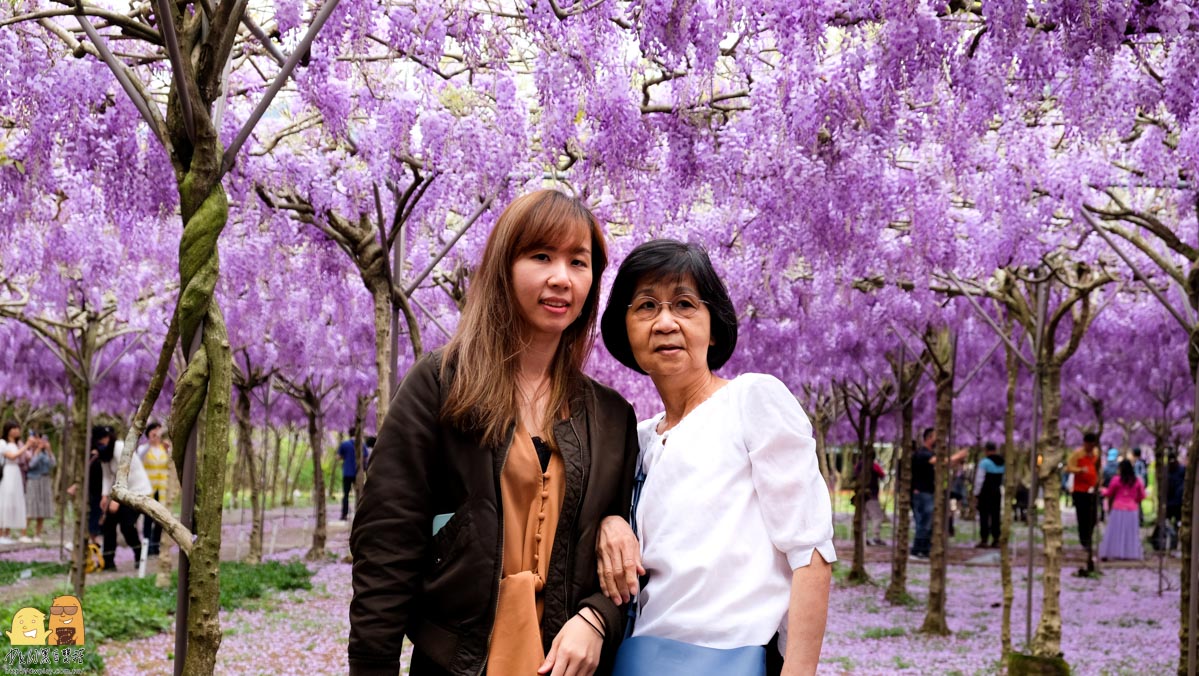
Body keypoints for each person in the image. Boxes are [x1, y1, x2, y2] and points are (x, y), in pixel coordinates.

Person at [349, 189, 639, 676]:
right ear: (504, 265)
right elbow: (387, 542)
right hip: (456, 663)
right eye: (541, 256)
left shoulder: (612, 417)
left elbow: (629, 559)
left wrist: (598, 618)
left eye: (578, 262)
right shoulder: (441, 385)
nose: (560, 278)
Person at [594, 239, 835, 675]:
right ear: (625, 331)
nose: (665, 322)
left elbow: (811, 551)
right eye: (646, 306)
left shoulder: (752, 400)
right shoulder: (639, 439)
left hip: (731, 659)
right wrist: (610, 521)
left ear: (714, 326)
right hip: (640, 661)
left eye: (684, 304)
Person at [98, 425, 153, 570]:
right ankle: (108, 561)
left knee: (126, 526)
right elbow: (107, 475)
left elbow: (127, 473)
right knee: (108, 525)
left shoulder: (120, 448)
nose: (101, 444)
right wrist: (104, 496)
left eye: (103, 440)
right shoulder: (104, 453)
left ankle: (139, 553)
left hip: (136, 491)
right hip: (119, 492)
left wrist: (117, 500)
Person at [1066, 433, 1102, 573]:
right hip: (1080, 491)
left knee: (1093, 516)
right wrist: (1080, 470)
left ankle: (1089, 536)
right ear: (1085, 443)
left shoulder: (1096, 454)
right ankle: (1084, 540)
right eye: (1089, 444)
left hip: (1092, 490)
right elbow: (1069, 467)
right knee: (1082, 516)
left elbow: (1098, 468)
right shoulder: (1077, 454)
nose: (1091, 447)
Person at [1099, 459, 1146, 561]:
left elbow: (1109, 493)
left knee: (1116, 532)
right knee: (1131, 533)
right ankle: (1130, 553)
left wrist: (1101, 490)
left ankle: (1115, 551)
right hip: (1132, 510)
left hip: (1118, 509)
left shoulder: (1116, 480)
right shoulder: (1137, 481)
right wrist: (1134, 501)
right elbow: (1142, 495)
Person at [137, 422, 171, 557]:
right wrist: (150, 443)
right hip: (148, 488)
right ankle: (147, 546)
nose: (157, 435)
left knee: (159, 518)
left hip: (162, 489)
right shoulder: (144, 449)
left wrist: (168, 448)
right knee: (148, 517)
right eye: (154, 432)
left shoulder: (165, 449)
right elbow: (138, 459)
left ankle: (156, 545)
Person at [0, 422, 31, 544]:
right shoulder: (3, 443)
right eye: (14, 428)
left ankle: (7, 532)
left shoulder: (18, 443)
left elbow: (26, 458)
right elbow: (11, 456)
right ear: (8, 430)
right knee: (5, 500)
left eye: (17, 428)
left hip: (16, 473)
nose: (17, 430)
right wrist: (26, 446)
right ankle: (1, 532)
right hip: (7, 472)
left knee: (13, 501)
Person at [23, 435, 56, 542]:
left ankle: (38, 534)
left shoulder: (46, 453)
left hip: (45, 480)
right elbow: (31, 465)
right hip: (33, 480)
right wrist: (37, 452)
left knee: (43, 507)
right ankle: (24, 533)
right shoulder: (30, 451)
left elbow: (53, 464)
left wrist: (49, 451)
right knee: (31, 506)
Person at [910, 428, 936, 559]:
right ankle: (917, 550)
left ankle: (924, 550)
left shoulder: (930, 453)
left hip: (928, 492)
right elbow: (940, 461)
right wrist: (959, 455)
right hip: (922, 493)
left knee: (927, 523)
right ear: (929, 438)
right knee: (923, 523)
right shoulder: (922, 453)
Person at [973, 442, 1004, 548]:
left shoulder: (984, 463)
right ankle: (996, 539)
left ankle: (984, 539)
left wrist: (976, 493)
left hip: (985, 493)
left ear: (986, 450)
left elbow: (979, 479)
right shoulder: (1002, 462)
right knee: (996, 516)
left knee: (984, 516)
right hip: (997, 492)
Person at [854, 457, 886, 546]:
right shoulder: (874, 465)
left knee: (863, 516)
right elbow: (882, 475)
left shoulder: (859, 465)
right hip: (872, 495)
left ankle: (863, 538)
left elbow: (854, 475)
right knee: (877, 516)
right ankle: (876, 537)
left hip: (860, 495)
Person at [338, 432, 370, 522]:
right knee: (359, 494)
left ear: (349, 434)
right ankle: (360, 513)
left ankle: (344, 515)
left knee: (346, 495)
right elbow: (366, 456)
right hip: (357, 473)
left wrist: (345, 458)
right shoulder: (362, 444)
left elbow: (338, 457)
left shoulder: (345, 444)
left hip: (347, 473)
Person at [1167, 452, 1186, 534]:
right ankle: (1173, 535)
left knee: (1177, 520)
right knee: (1171, 521)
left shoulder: (1181, 469)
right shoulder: (1168, 470)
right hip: (1173, 501)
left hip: (1176, 501)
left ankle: (1175, 535)